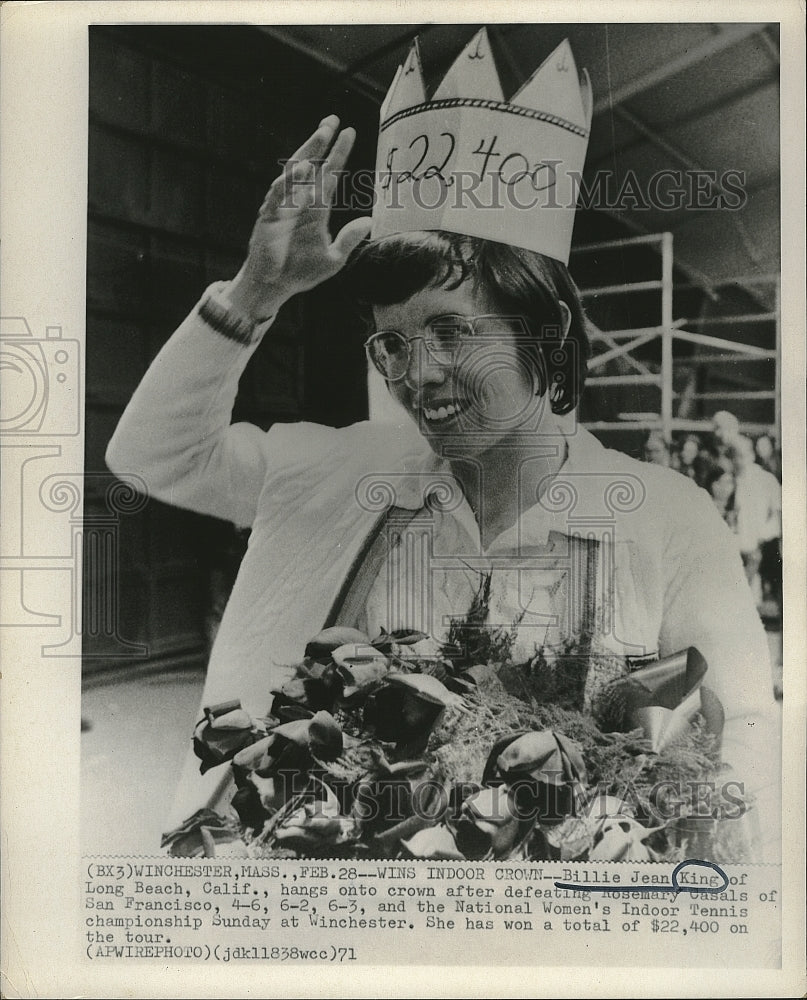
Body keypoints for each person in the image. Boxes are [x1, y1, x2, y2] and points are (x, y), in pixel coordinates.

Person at [106, 42, 778, 844]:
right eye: (389, 343)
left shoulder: (666, 517)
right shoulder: (337, 472)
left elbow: (740, 744)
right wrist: (256, 293)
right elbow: (152, 458)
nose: (417, 374)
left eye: (452, 332)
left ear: (546, 330)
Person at [728, 435, 782, 608]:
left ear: (751, 455)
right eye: (733, 456)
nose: (738, 461)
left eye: (742, 455)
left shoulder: (766, 479)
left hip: (764, 547)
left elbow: (779, 515)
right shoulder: (729, 480)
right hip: (738, 548)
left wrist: (762, 537)